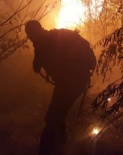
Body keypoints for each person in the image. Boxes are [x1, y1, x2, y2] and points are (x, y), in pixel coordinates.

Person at [25, 20, 96, 155]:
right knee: (58, 116)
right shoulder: (54, 36)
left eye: (29, 34)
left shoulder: (43, 43)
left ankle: (47, 151)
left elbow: (36, 67)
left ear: (32, 33)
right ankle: (63, 148)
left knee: (52, 118)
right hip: (77, 81)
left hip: (68, 83)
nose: (30, 37)